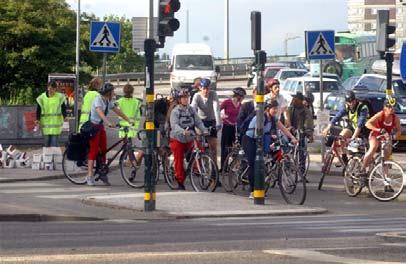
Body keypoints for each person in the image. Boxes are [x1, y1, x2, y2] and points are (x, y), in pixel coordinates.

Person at [242, 100, 298, 199]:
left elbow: (283, 129)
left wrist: (292, 137)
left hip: (261, 140)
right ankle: (252, 191)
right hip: (250, 140)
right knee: (254, 164)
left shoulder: (273, 119)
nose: (276, 110)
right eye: (274, 108)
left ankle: (262, 186)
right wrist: (268, 138)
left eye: (277, 108)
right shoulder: (261, 117)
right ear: (268, 108)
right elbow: (257, 132)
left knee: (264, 163)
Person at [86, 83, 132, 186]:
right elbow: (99, 112)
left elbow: (117, 111)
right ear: (109, 93)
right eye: (113, 92)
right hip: (93, 127)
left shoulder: (108, 101)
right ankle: (89, 175)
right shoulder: (98, 99)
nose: (114, 93)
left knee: (103, 150)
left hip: (100, 127)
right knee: (93, 151)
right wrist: (108, 122)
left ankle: (102, 171)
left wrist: (128, 120)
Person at [169, 88, 208, 190]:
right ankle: (180, 181)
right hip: (178, 138)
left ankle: (197, 170)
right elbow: (174, 125)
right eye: (183, 98)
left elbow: (198, 122)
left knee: (200, 149)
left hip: (190, 137)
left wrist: (204, 130)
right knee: (179, 159)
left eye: (187, 97)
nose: (186, 100)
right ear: (179, 99)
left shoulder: (191, 110)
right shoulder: (175, 111)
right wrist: (182, 131)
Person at [322, 91, 370, 165]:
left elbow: (360, 125)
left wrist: (352, 138)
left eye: (352, 101)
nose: (351, 104)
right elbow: (336, 117)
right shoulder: (346, 107)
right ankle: (344, 157)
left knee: (360, 149)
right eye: (349, 102)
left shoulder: (362, 107)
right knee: (341, 137)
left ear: (355, 100)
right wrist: (327, 128)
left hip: (363, 130)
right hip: (352, 127)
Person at [359, 100, 401, 183]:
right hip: (375, 135)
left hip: (385, 137)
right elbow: (368, 124)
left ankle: (386, 181)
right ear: (385, 107)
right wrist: (378, 129)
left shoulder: (395, 118)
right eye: (389, 107)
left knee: (387, 156)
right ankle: (362, 169)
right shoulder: (380, 115)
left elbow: (399, 130)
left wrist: (393, 136)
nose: (391, 109)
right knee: (373, 148)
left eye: (393, 107)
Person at [190, 78, 222, 170]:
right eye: (204, 88)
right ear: (200, 88)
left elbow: (216, 109)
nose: (206, 91)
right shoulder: (197, 96)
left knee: (214, 148)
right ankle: (197, 167)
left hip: (211, 121)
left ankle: (214, 171)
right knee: (198, 145)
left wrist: (218, 123)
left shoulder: (213, 94)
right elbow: (193, 108)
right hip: (200, 121)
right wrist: (193, 122)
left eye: (207, 88)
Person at [286, 92, 314, 178]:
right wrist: (290, 127)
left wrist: (308, 133)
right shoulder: (291, 108)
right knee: (287, 150)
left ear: (300, 101)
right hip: (291, 132)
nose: (293, 100)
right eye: (293, 98)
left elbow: (309, 122)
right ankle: (286, 168)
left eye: (295, 99)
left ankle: (302, 173)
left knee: (302, 153)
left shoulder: (306, 110)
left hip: (301, 133)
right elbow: (287, 119)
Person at [220, 87, 246, 170]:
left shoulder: (241, 106)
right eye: (242, 97)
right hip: (227, 126)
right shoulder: (227, 102)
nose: (243, 99)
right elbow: (217, 110)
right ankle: (224, 167)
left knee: (235, 147)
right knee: (225, 147)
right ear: (238, 96)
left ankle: (233, 165)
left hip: (236, 127)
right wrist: (222, 116)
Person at [35, 81, 67, 147]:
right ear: (47, 88)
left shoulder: (59, 97)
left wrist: (65, 116)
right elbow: (39, 109)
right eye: (49, 88)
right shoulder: (42, 97)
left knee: (54, 144)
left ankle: (54, 156)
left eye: (52, 89)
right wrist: (37, 119)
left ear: (55, 89)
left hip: (56, 125)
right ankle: (47, 156)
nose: (51, 90)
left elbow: (63, 107)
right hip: (45, 124)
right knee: (46, 144)